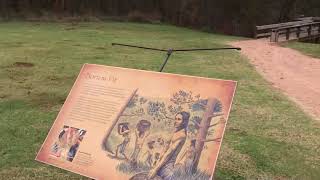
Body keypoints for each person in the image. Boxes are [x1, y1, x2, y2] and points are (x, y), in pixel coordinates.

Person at [147, 111, 190, 180]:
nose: (175, 121)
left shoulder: (181, 135)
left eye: (179, 119)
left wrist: (155, 169)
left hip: (166, 167)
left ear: (184, 122)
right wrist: (157, 162)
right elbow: (166, 148)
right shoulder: (176, 132)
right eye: (175, 118)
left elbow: (169, 154)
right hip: (161, 164)